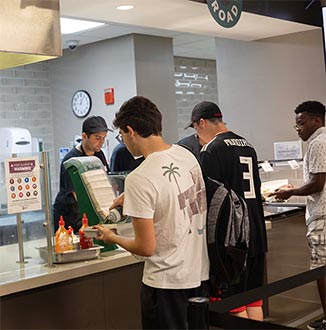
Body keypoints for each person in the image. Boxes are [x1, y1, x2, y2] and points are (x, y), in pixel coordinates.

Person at [95, 96, 209, 329]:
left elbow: (146, 247)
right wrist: (134, 198)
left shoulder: (140, 177)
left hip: (165, 284)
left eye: (122, 136)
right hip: (198, 276)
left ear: (130, 131)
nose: (124, 141)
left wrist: (112, 237)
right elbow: (176, 197)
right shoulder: (186, 154)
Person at [185, 100, 268, 321]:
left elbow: (207, 198)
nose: (196, 135)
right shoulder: (247, 144)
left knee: (233, 304)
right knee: (254, 298)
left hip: (231, 238)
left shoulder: (212, 149)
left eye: (195, 129)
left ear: (202, 122)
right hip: (256, 232)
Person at [271, 101, 326, 330]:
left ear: (317, 120)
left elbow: (317, 183)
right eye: (296, 126)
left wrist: (290, 192)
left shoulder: (319, 142)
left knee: (321, 269)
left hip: (322, 217)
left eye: (301, 124)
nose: (299, 129)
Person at [53, 116, 111, 233]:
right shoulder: (71, 161)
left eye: (104, 138)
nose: (101, 142)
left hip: (89, 211)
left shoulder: (99, 155)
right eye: (97, 138)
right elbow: (77, 195)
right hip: (70, 215)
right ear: (84, 136)